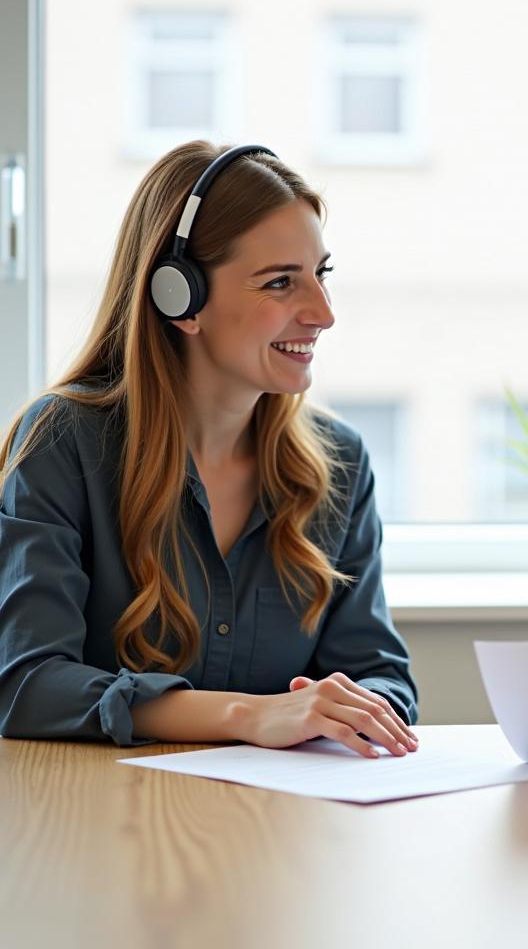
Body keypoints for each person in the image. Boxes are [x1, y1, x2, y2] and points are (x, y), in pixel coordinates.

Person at [0, 142, 419, 758]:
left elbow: (381, 676)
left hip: (283, 825)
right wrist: (247, 715)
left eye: (320, 275)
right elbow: (27, 685)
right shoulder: (63, 442)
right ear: (181, 298)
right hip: (106, 824)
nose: (323, 313)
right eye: (280, 282)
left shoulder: (341, 465)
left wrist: (357, 707)